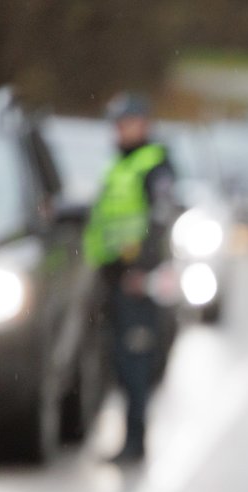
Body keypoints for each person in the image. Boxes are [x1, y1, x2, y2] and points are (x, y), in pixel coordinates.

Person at [83, 91, 177, 464]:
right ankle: (127, 440)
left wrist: (143, 270)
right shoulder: (121, 163)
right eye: (117, 124)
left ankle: (136, 443)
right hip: (112, 275)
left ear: (144, 124)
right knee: (119, 362)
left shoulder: (154, 164)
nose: (120, 130)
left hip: (136, 281)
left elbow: (160, 220)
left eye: (127, 123)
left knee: (136, 362)